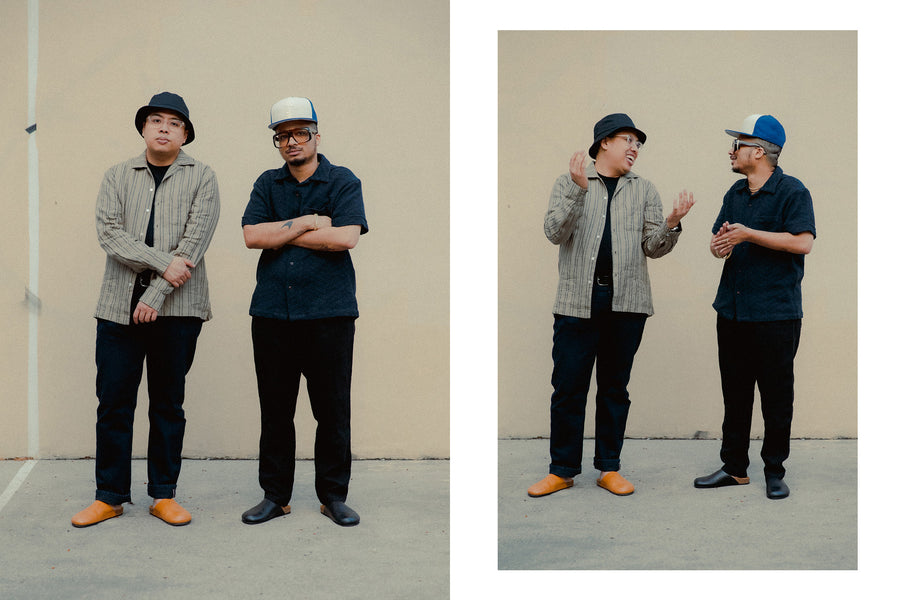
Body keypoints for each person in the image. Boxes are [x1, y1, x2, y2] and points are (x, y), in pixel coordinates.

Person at [72, 92, 220, 527]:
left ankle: (163, 494)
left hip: (179, 309)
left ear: (185, 134)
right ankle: (110, 495)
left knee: (168, 403)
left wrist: (153, 296)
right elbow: (110, 234)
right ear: (143, 128)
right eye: (156, 120)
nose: (163, 128)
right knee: (114, 402)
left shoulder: (203, 177)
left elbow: (194, 243)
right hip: (118, 308)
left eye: (174, 124)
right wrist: (162, 264)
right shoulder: (118, 175)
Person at [528, 113, 694, 498]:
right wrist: (576, 189)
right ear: (605, 141)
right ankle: (562, 470)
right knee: (568, 388)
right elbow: (555, 232)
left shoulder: (645, 190)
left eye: (639, 143)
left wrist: (671, 221)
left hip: (627, 303)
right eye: (628, 140)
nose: (634, 148)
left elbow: (654, 248)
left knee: (615, 388)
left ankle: (609, 468)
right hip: (576, 302)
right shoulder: (569, 182)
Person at [240, 97, 368, 526]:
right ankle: (275, 496)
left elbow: (346, 237)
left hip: (330, 314)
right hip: (273, 314)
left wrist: (281, 232)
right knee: (275, 410)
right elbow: (251, 236)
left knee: (331, 410)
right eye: (282, 135)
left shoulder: (342, 180)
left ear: (316, 134)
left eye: (299, 133)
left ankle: (333, 496)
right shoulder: (267, 183)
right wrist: (311, 222)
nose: (291, 142)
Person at [694, 114, 815, 500]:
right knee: (736, 393)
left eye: (738, 144)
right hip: (731, 310)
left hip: (776, 313)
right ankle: (734, 468)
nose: (731, 151)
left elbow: (802, 243)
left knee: (777, 397)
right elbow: (721, 240)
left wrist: (749, 235)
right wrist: (719, 246)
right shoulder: (734, 193)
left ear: (758, 151)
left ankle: (774, 471)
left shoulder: (793, 192)